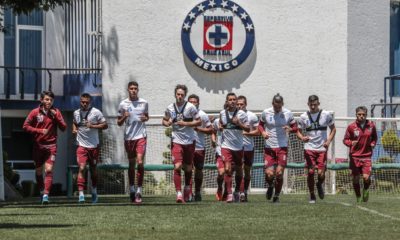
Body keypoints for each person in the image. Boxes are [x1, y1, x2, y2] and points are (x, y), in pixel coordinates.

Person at [23, 90, 67, 204]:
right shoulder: (34, 112)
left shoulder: (56, 112)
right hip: (38, 146)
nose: (49, 102)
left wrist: (56, 117)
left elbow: (64, 127)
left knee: (49, 170)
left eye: (51, 100)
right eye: (47, 99)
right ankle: (42, 191)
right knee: (38, 171)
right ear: (41, 100)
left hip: (51, 146)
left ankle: (46, 195)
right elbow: (25, 126)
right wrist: (39, 130)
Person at [162, 84, 201, 203]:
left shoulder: (190, 107)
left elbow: (198, 122)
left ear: (185, 96)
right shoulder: (170, 107)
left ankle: (187, 189)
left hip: (189, 141)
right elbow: (164, 120)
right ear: (175, 94)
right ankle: (178, 193)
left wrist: (186, 124)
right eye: (178, 94)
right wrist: (167, 122)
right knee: (178, 166)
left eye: (182, 95)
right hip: (176, 140)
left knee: (188, 168)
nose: (180, 96)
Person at [258, 93, 297, 203]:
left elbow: (295, 127)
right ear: (272, 104)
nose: (277, 108)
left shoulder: (288, 113)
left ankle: (277, 195)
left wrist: (290, 129)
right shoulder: (266, 112)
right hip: (269, 146)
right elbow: (260, 125)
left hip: (282, 147)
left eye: (279, 106)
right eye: (276, 106)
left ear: (282, 104)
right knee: (269, 174)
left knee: (279, 173)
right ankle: (270, 186)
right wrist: (263, 132)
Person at [296, 95, 336, 203]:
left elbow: (333, 130)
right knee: (310, 172)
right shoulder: (303, 116)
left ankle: (319, 184)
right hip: (309, 148)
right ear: (308, 104)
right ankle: (312, 195)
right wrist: (302, 137)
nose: (313, 106)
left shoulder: (326, 115)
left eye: (315, 104)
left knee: (321, 174)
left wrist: (328, 141)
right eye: (311, 104)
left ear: (319, 103)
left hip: (322, 148)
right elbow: (297, 131)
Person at [117, 81, 149, 204]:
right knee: (131, 164)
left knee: (140, 162)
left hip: (141, 136)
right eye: (131, 88)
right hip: (129, 138)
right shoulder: (123, 104)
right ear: (128, 90)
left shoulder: (144, 103)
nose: (133, 90)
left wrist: (145, 118)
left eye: (135, 88)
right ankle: (131, 189)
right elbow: (119, 123)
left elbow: (147, 116)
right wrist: (125, 116)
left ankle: (139, 191)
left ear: (138, 90)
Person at [72, 93, 108, 203]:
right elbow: (74, 123)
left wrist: (92, 126)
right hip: (81, 145)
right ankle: (81, 194)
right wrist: (74, 129)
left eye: (86, 102)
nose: (84, 104)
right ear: (80, 101)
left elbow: (105, 125)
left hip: (93, 146)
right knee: (82, 168)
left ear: (90, 102)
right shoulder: (76, 113)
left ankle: (94, 191)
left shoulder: (96, 112)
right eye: (82, 102)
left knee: (93, 170)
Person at [219, 93, 249, 203]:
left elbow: (248, 129)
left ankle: (239, 191)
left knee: (239, 169)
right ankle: (229, 194)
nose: (232, 101)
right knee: (227, 169)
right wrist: (220, 127)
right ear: (227, 101)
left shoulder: (241, 114)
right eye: (230, 100)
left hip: (238, 146)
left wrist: (239, 123)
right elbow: (221, 125)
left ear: (236, 101)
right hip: (226, 146)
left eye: (234, 99)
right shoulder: (222, 113)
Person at [343, 106, 377, 203]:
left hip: (367, 155)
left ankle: (366, 190)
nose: (361, 116)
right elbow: (345, 140)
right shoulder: (351, 127)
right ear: (356, 115)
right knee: (355, 178)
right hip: (354, 156)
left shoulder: (371, 126)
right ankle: (358, 197)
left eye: (363, 115)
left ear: (366, 115)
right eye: (359, 114)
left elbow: (374, 137)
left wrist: (373, 143)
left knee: (366, 177)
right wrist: (350, 143)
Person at [188, 94, 212, 201]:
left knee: (198, 170)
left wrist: (199, 129)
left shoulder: (202, 115)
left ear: (198, 103)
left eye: (195, 102)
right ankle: (188, 193)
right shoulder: (184, 113)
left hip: (199, 147)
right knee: (188, 170)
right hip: (187, 146)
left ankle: (197, 192)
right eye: (191, 102)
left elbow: (210, 130)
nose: (193, 104)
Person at [237, 95, 259, 202]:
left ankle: (245, 191)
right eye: (238, 104)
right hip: (237, 147)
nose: (240, 106)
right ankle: (240, 192)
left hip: (249, 147)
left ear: (246, 104)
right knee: (239, 169)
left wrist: (246, 133)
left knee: (247, 170)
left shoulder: (252, 116)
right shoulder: (233, 115)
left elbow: (258, 131)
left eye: (242, 104)